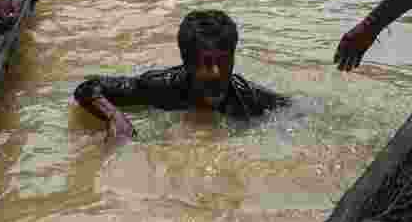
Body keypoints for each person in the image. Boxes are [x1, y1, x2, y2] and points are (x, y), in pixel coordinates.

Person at [73, 10, 289, 142]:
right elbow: (88, 87)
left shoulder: (249, 99)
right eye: (206, 64)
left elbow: (295, 111)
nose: (215, 73)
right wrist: (115, 118)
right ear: (187, 64)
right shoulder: (160, 87)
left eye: (223, 63)